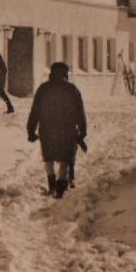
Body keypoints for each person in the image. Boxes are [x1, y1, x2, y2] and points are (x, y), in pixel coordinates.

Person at [26, 62, 87, 199]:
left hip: (47, 129)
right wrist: (82, 132)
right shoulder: (72, 89)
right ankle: (60, 188)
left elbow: (34, 111)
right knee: (65, 158)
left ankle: (51, 183)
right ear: (65, 74)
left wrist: (31, 129)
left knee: (49, 157)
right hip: (67, 130)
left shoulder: (43, 89)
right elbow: (80, 113)